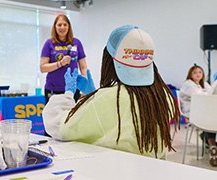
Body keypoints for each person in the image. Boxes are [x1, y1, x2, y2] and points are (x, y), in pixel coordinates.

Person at [43, 25, 180, 159]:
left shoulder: (107, 99)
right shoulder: (164, 97)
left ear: (109, 60)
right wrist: (93, 95)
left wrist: (67, 94)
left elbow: (60, 127)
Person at [40, 14, 87, 104]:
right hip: (53, 90)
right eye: (59, 25)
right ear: (55, 27)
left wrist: (84, 87)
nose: (62, 27)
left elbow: (83, 67)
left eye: (65, 24)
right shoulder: (49, 43)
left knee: (73, 117)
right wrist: (60, 63)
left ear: (69, 26)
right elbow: (42, 68)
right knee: (53, 117)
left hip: (73, 89)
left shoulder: (76, 43)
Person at [179, 64, 216, 166]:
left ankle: (209, 141)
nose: (198, 74)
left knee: (212, 115)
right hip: (191, 110)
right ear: (190, 74)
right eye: (195, 72)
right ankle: (212, 143)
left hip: (202, 110)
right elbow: (201, 96)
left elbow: (211, 93)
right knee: (211, 115)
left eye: (200, 72)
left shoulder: (204, 83)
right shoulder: (188, 84)